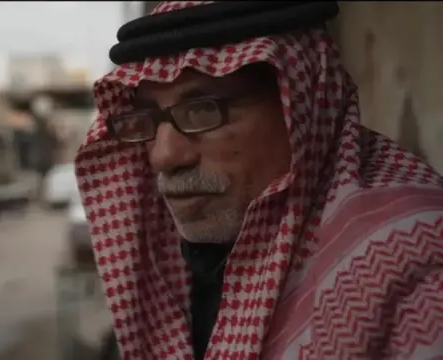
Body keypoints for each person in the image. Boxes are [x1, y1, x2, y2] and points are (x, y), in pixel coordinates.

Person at [75, 2, 443, 359]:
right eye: (149, 119)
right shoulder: (191, 253)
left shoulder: (416, 275)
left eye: (203, 110)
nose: (164, 156)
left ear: (302, 105)